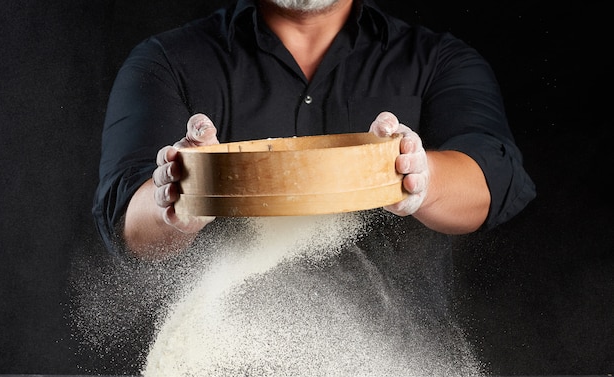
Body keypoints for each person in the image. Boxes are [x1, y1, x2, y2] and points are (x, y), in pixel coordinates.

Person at [93, 0, 535, 321]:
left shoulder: (439, 60)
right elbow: (127, 218)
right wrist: (177, 203)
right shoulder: (166, 61)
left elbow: (491, 179)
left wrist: (420, 176)